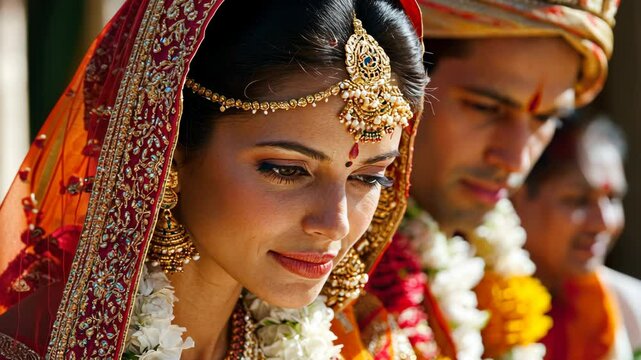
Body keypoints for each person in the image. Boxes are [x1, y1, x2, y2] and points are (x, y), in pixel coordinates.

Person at [0, 0, 427, 359]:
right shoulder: (38, 346)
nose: (336, 224)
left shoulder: (354, 343)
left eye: (370, 178)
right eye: (287, 170)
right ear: (169, 149)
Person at [362, 1, 621, 359]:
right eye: (485, 108)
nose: (516, 158)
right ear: (398, 85)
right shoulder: (315, 268)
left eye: (545, 120)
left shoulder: (496, 278)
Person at [512, 114, 641, 360]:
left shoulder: (634, 310)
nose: (605, 222)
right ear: (517, 195)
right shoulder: (462, 310)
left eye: (613, 199)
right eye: (578, 200)